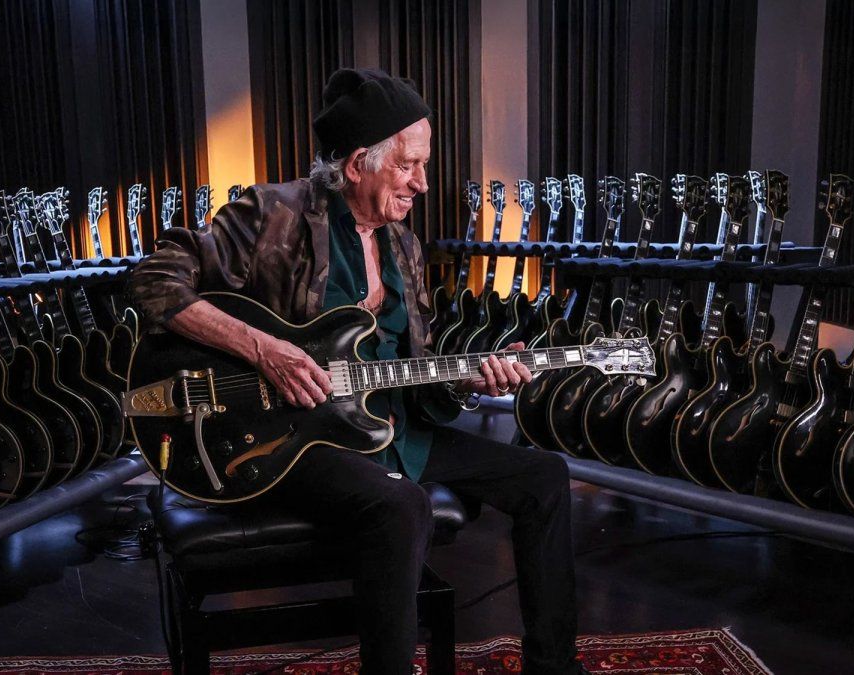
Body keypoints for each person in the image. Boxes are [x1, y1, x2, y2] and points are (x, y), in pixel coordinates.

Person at [130, 67, 584, 675]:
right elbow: (153, 281)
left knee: (545, 477)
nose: (423, 183)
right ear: (355, 165)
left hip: (390, 428)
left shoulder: (404, 247)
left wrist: (467, 382)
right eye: (408, 165)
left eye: (424, 165)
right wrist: (264, 350)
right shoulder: (272, 213)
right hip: (294, 436)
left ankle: (555, 667)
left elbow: (415, 372)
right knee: (403, 507)